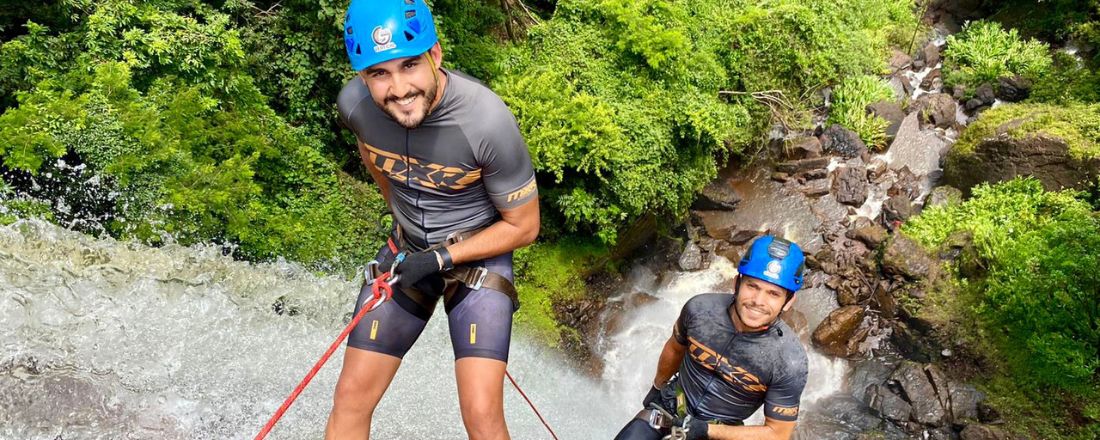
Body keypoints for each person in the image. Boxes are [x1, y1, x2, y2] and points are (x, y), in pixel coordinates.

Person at [325, 0, 539, 439]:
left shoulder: (486, 122)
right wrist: (404, 227)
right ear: (362, 77)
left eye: (409, 65)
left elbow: (524, 226)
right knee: (350, 396)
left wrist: (441, 256)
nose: (399, 88)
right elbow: (373, 157)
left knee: (481, 415)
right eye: (379, 74)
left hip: (478, 257)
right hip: (407, 253)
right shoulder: (355, 106)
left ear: (435, 55)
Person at [615, 235, 809, 440]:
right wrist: (657, 386)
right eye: (752, 286)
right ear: (737, 283)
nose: (758, 301)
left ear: (788, 302)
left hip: (719, 433)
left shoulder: (789, 361)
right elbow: (675, 348)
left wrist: (706, 430)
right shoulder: (700, 310)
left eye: (773, 294)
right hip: (671, 407)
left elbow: (777, 434)